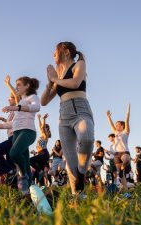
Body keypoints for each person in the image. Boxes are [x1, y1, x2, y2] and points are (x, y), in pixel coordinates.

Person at [41, 41, 95, 198]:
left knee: (87, 139)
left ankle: (82, 173)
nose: (53, 55)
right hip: (64, 115)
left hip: (81, 110)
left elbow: (75, 82)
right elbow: (44, 101)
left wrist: (55, 79)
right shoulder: (58, 74)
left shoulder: (79, 64)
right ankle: (77, 196)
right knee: (71, 162)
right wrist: (50, 82)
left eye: (55, 51)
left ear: (65, 52)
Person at [3, 76, 41, 195]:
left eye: (19, 84)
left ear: (27, 86)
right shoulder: (20, 100)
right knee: (25, 161)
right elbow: (13, 122)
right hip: (17, 132)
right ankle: (28, 192)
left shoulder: (32, 97)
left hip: (27, 131)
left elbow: (36, 107)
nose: (17, 87)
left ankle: (23, 175)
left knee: (14, 153)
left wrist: (16, 107)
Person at [0, 85, 18, 187]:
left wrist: (9, 84)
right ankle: (13, 190)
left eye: (10, 97)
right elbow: (8, 122)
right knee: (10, 165)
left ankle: (9, 172)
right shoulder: (12, 112)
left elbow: (12, 124)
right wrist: (1, 118)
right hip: (11, 137)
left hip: (15, 137)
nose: (8, 99)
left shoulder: (18, 109)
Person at [106, 104, 131, 190]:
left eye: (118, 125)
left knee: (126, 160)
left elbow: (127, 121)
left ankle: (123, 166)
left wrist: (127, 113)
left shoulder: (125, 132)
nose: (116, 126)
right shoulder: (115, 133)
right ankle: (125, 190)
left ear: (122, 126)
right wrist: (108, 117)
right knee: (120, 174)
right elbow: (111, 125)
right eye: (116, 125)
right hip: (117, 154)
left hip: (124, 152)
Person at [30, 113, 51, 186]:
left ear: (47, 129)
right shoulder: (41, 136)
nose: (41, 128)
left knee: (30, 160)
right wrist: (39, 118)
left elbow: (43, 128)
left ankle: (40, 170)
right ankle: (42, 187)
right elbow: (40, 127)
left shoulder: (45, 136)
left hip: (44, 154)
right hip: (40, 154)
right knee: (39, 175)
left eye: (44, 127)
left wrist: (44, 119)